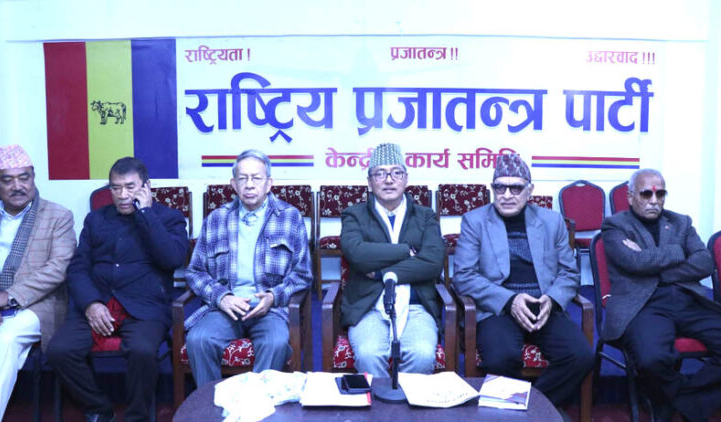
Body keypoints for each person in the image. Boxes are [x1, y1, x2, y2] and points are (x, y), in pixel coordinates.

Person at [47, 157, 188, 422]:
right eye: (115, 187)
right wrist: (90, 303)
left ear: (146, 187)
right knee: (59, 351)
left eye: (130, 187)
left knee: (143, 352)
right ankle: (99, 408)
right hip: (98, 302)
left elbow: (172, 259)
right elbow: (78, 268)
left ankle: (136, 417)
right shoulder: (96, 220)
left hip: (144, 308)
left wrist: (145, 214)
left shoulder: (169, 218)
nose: (122, 195)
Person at [452, 153, 593, 412]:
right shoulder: (475, 221)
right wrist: (510, 300)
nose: (507, 195)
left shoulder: (551, 221)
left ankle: (532, 410)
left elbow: (569, 273)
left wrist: (553, 299)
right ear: (492, 189)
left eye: (515, 188)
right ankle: (529, 412)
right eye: (500, 187)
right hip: (497, 309)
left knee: (580, 355)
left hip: (543, 306)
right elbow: (464, 276)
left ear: (530, 190)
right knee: (501, 357)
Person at [601, 168, 721, 422]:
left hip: (687, 299)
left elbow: (705, 262)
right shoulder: (615, 225)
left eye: (660, 194)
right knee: (651, 359)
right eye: (646, 194)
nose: (654, 200)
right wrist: (677, 252)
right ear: (630, 196)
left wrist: (657, 269)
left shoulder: (681, 222)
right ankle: (678, 399)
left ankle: (683, 403)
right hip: (643, 304)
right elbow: (634, 262)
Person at [0, 144, 76, 422]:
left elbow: (59, 267)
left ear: (33, 177)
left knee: (6, 340)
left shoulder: (58, 216)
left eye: (24, 177)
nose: (17, 186)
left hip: (36, 306)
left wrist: (7, 297)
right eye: (8, 180)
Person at [185, 149, 312, 386]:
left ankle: (257, 403)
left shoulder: (289, 217)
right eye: (243, 178)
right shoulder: (216, 219)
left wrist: (273, 297)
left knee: (275, 342)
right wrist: (221, 297)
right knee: (198, 339)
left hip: (270, 310)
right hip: (225, 309)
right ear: (233, 184)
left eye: (256, 178)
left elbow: (302, 274)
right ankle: (212, 403)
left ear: (269, 183)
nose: (250, 185)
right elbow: (195, 272)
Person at [340, 143, 445, 377]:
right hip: (368, 306)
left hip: (417, 306)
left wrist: (382, 272)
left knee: (421, 354)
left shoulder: (425, 216)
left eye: (396, 173)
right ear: (370, 182)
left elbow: (432, 262)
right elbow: (357, 254)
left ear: (406, 179)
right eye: (380, 173)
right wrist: (406, 251)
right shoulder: (354, 215)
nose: (389, 180)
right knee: (368, 355)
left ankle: (408, 402)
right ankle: (378, 402)